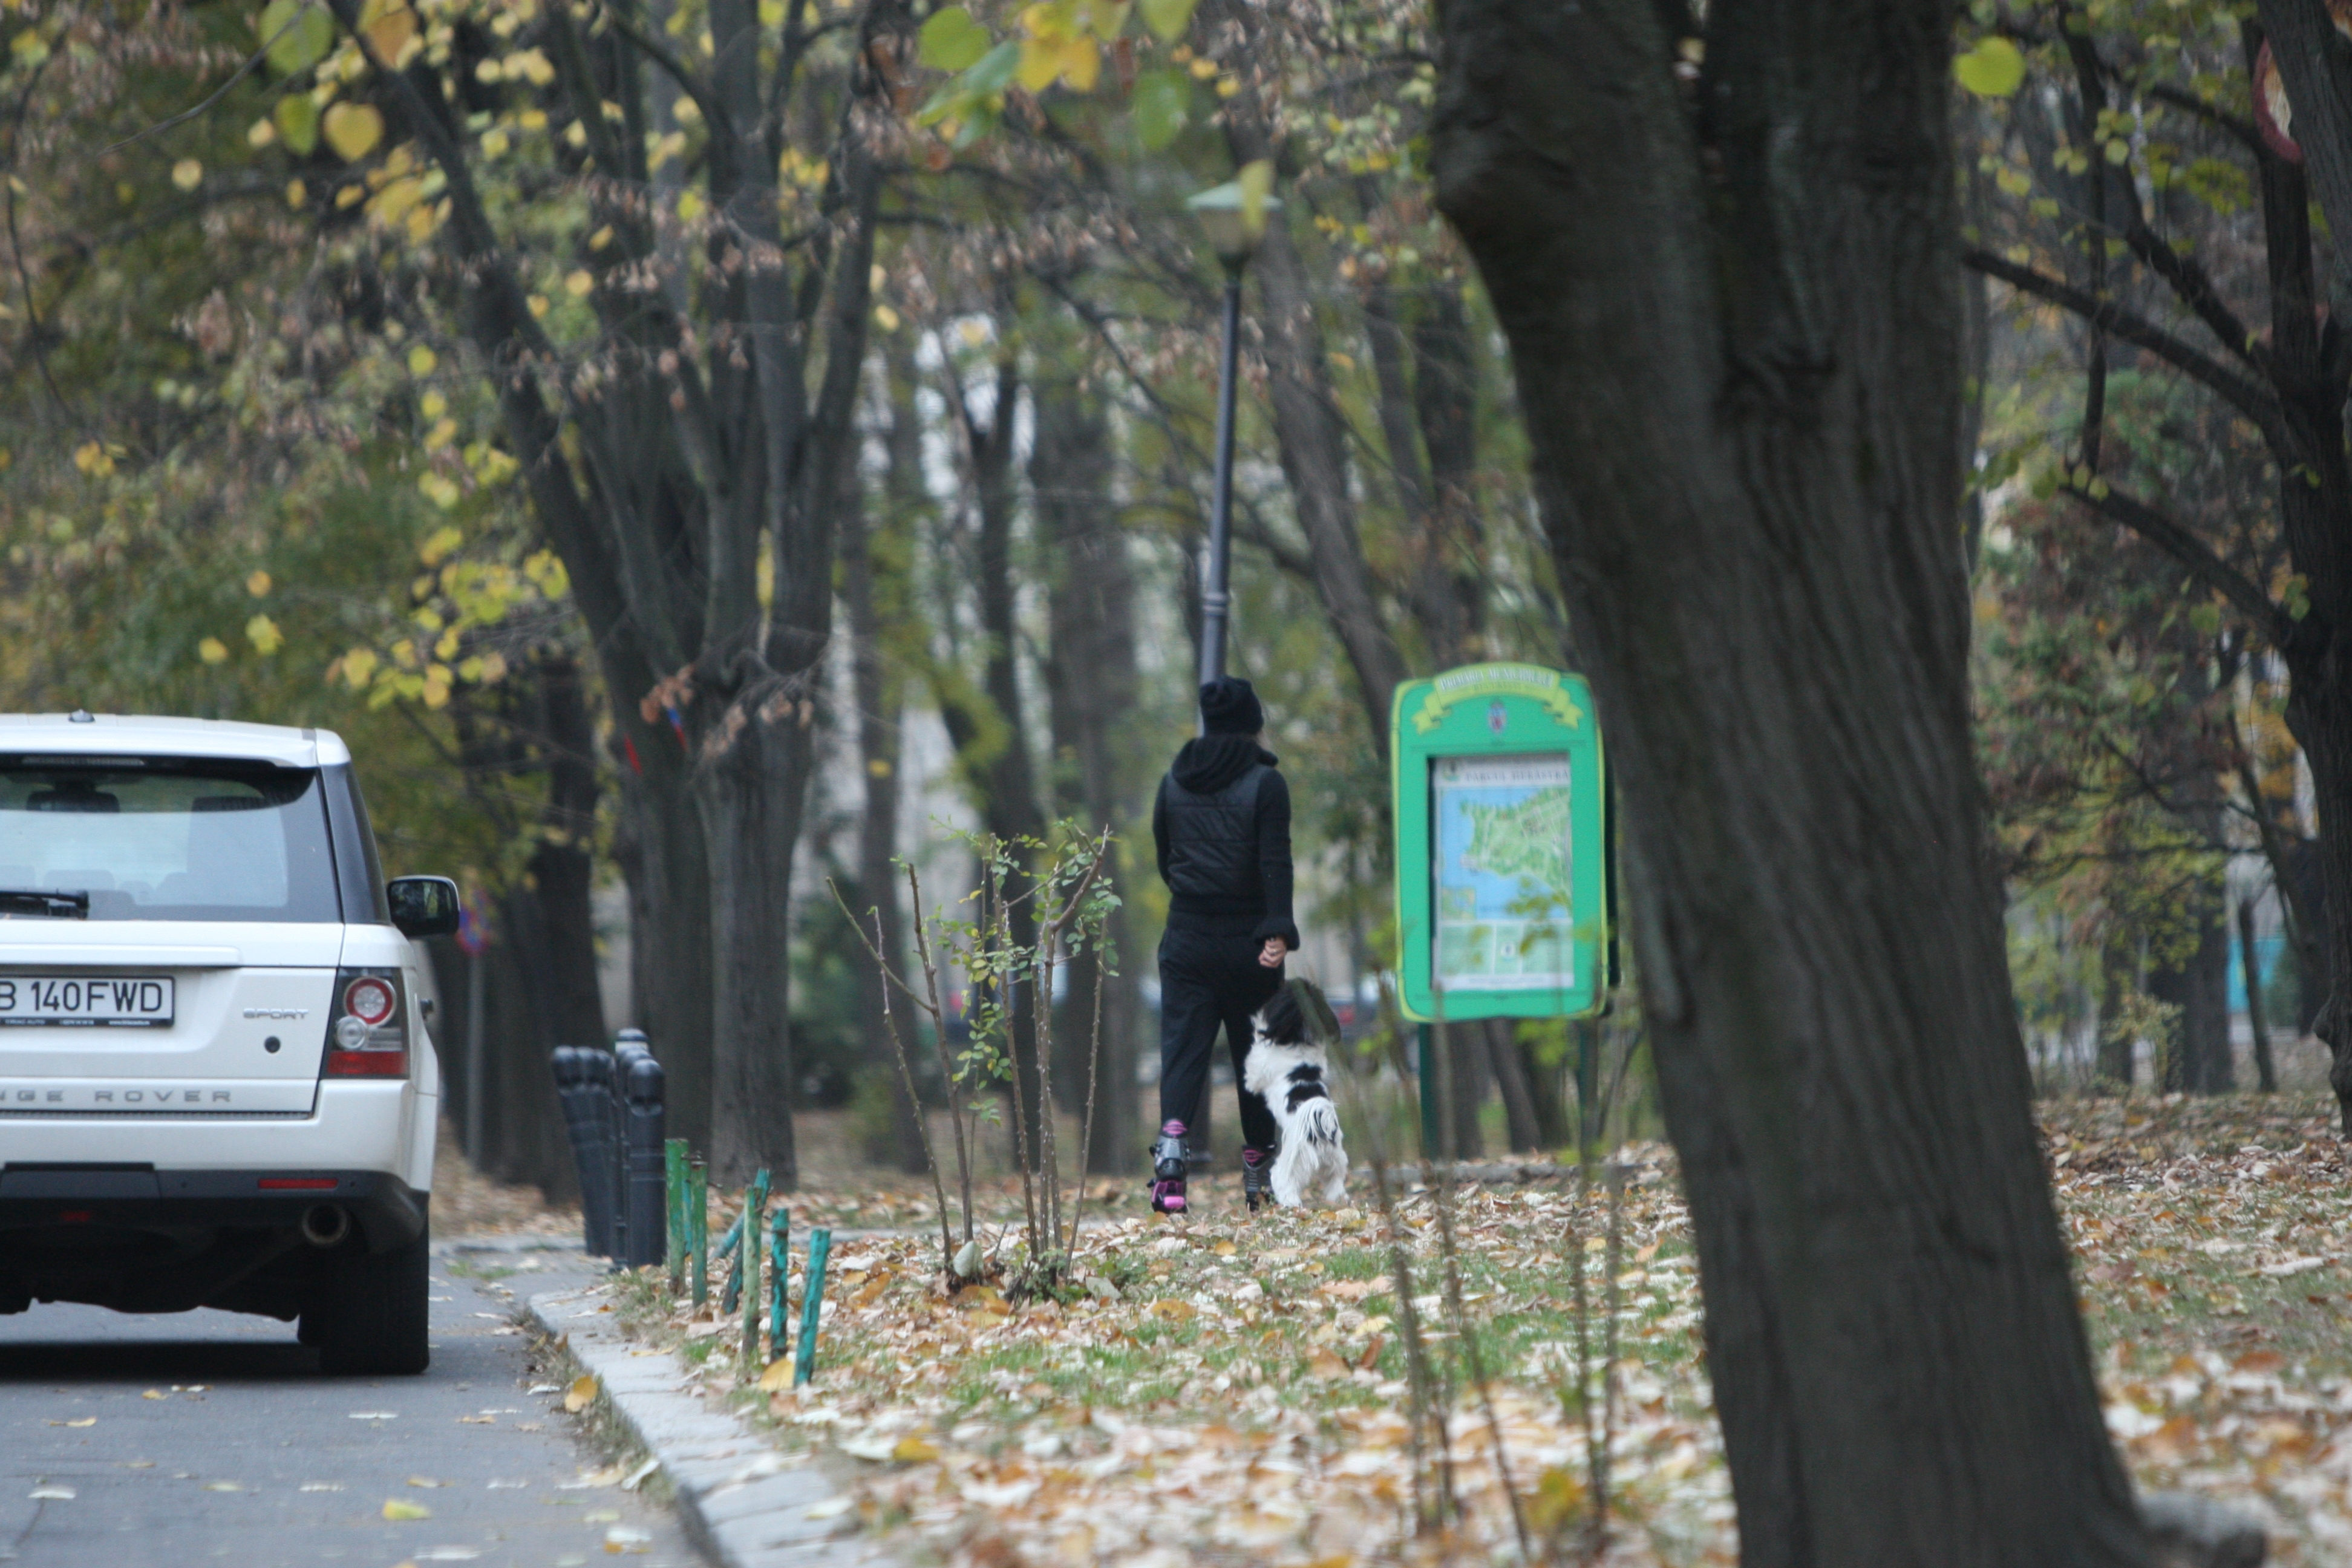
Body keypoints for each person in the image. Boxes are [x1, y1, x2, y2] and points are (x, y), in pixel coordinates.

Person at [1149, 676, 1298, 1214]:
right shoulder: (1266, 784)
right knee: (1255, 1058)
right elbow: (1275, 861)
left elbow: (1165, 858)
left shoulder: (1173, 782)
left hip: (1186, 938)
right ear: (1252, 726)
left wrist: (1196, 900)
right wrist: (1277, 931)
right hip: (1250, 945)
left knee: (1182, 1051)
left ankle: (1171, 1164)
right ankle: (1259, 1177)